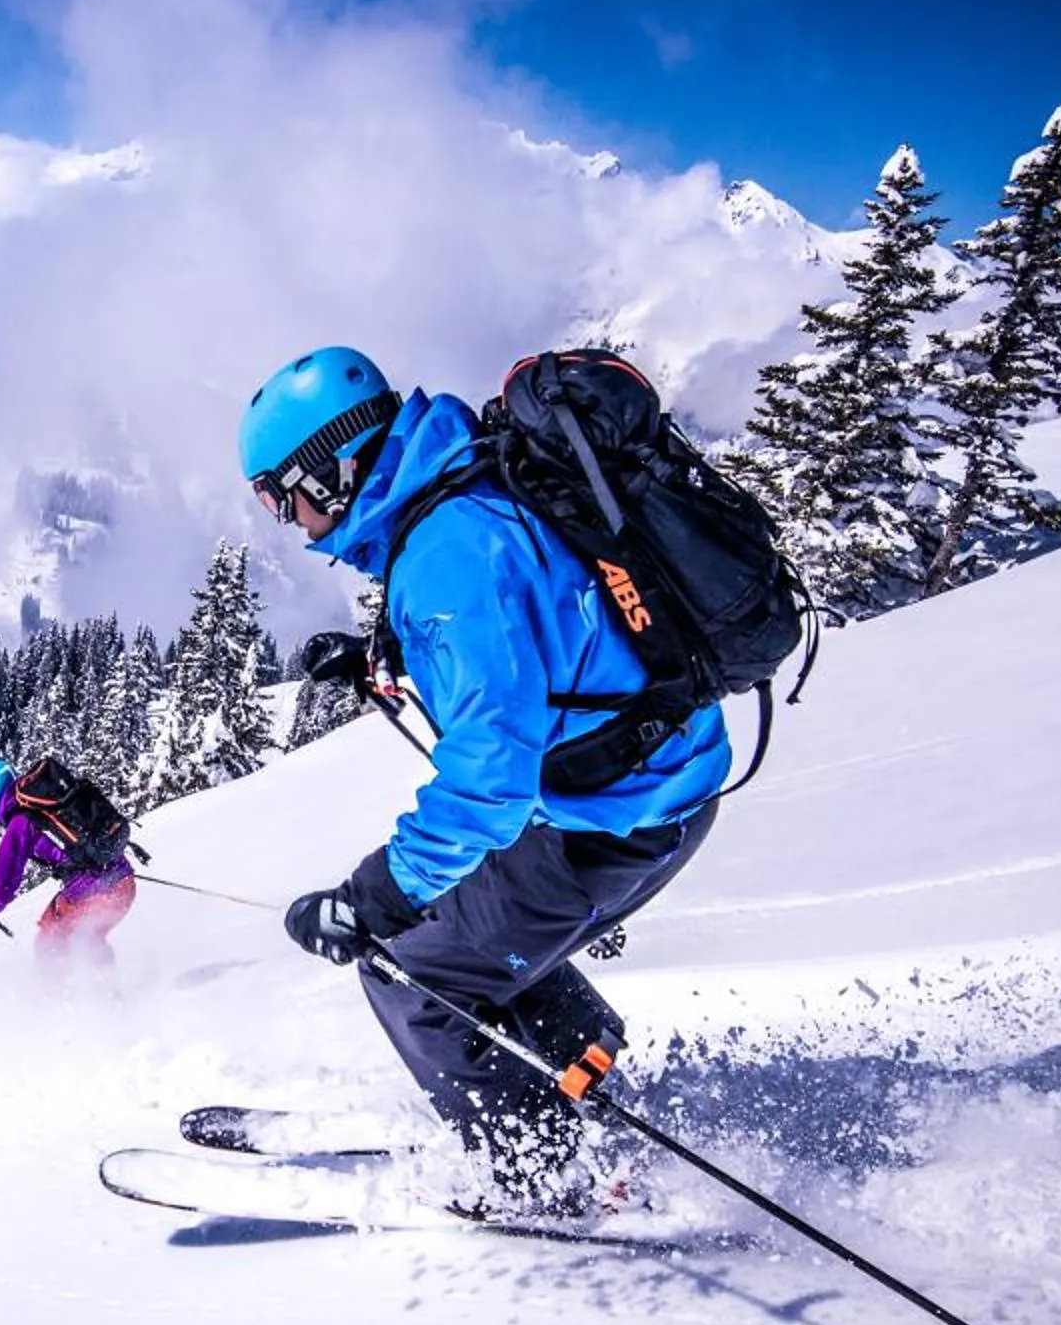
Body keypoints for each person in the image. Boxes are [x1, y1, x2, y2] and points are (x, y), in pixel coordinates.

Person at [238, 345, 732, 1217]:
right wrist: (390, 651)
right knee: (474, 934)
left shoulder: (446, 557)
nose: (293, 522)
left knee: (407, 970)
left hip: (607, 821)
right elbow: (542, 620)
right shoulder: (469, 483)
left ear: (337, 469)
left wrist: (373, 898)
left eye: (284, 497)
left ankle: (540, 1174)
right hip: (657, 786)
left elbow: (490, 781)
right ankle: (592, 1081)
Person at [0, 758, 139, 969]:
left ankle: (72, 999)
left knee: (52, 944)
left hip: (97, 896)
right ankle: (106, 993)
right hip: (123, 881)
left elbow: (3, 887)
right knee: (77, 936)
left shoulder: (21, 822)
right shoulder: (50, 800)